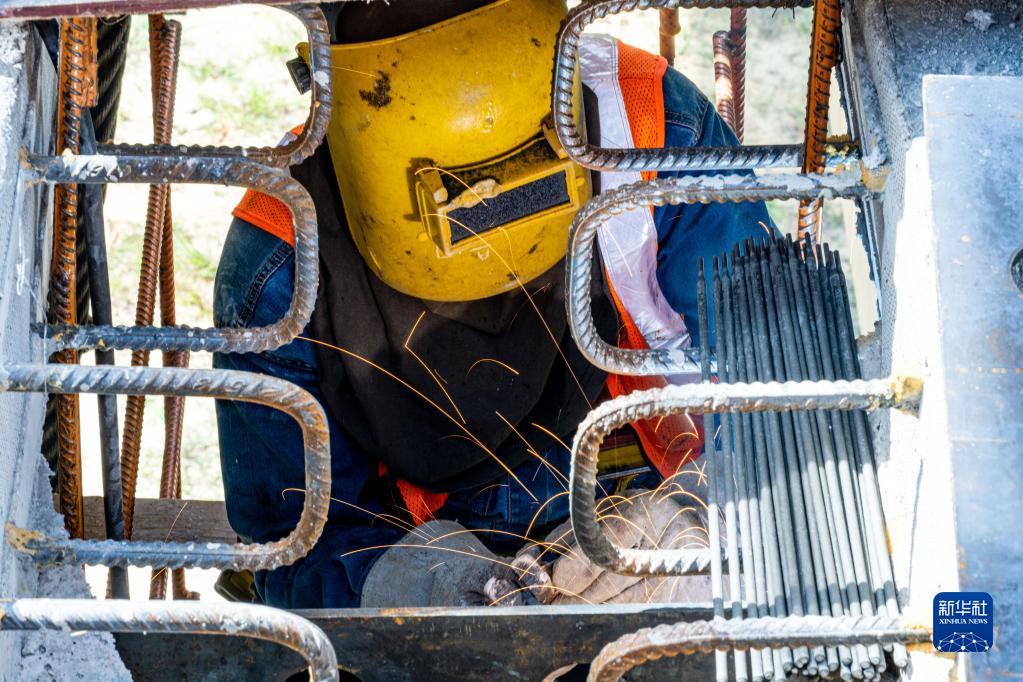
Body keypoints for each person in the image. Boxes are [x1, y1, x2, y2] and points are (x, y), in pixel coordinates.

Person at [213, 0, 773, 609]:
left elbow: (777, 391)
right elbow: (289, 547)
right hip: (421, 533)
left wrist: (692, 515)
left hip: (635, 489)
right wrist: (408, 586)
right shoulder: (279, 261)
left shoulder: (651, 127)